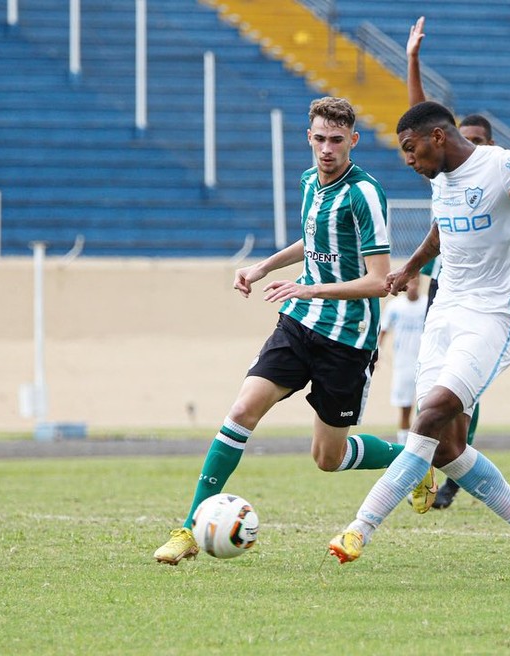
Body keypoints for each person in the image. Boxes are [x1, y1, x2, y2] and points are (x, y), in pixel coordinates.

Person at [328, 101, 510, 584]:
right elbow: (442, 231)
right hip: (443, 313)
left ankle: (359, 528)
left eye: (410, 148)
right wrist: (409, 266)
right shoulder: (441, 182)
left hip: (491, 316)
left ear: (437, 138)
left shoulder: (502, 165)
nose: (407, 159)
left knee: (429, 416)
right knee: (447, 448)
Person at [154, 97, 404, 564]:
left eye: (336, 140)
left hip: (348, 339)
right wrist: (263, 267)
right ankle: (189, 529)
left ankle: (410, 459)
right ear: (308, 138)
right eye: (319, 139)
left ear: (353, 140)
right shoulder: (310, 182)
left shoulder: (365, 194)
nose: (326, 149)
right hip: (299, 325)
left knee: (327, 458)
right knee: (243, 408)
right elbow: (312, 244)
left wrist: (312, 291)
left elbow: (379, 282)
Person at [406, 15, 510, 509]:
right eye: (464, 135)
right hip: (445, 292)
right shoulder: (442, 175)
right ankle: (442, 463)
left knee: (451, 403)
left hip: (489, 303)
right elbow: (419, 119)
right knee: (431, 405)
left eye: (478, 138)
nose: (470, 144)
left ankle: (388, 500)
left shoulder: (505, 176)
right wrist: (411, 60)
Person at [379, 274, 428, 444]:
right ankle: (403, 444)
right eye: (411, 282)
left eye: (416, 282)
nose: (413, 285)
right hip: (403, 364)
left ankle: (425, 444)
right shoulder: (395, 306)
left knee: (428, 407)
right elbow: (383, 331)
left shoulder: (427, 304)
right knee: (405, 407)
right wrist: (377, 352)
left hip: (425, 363)